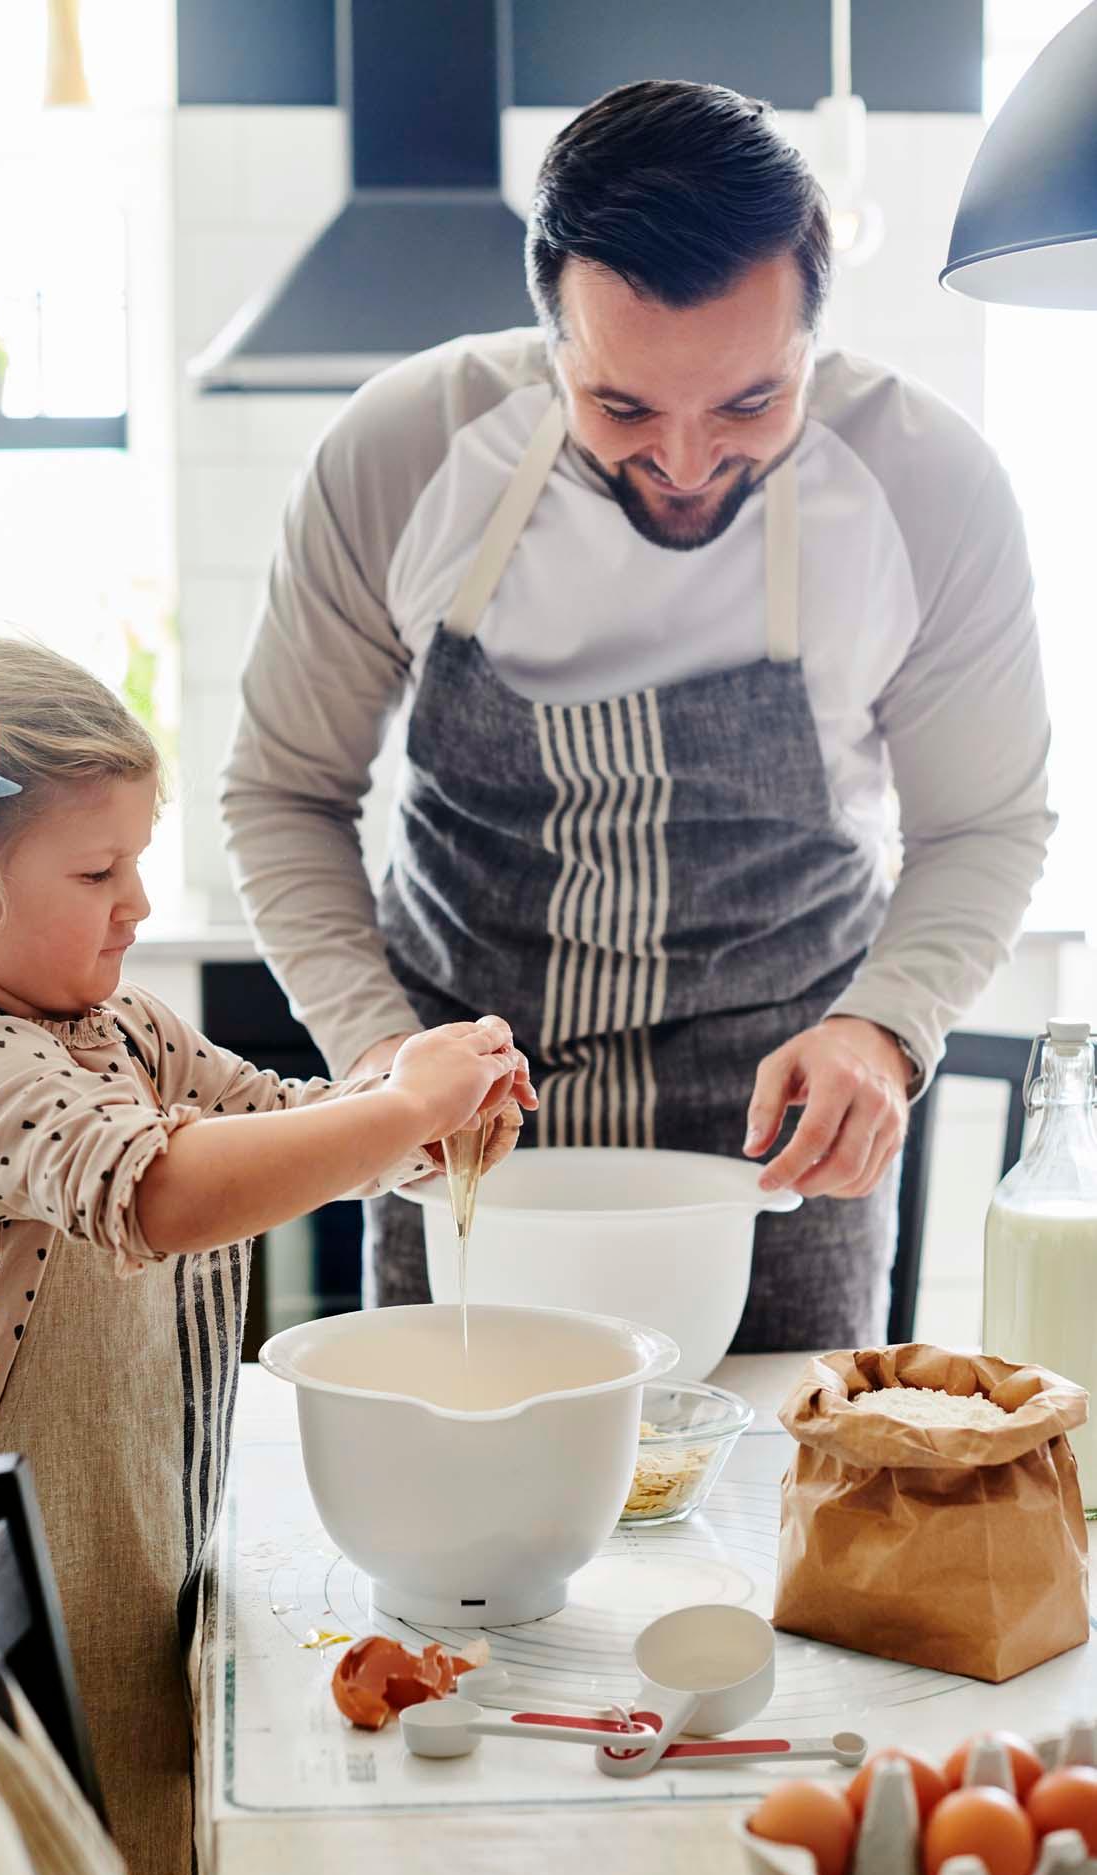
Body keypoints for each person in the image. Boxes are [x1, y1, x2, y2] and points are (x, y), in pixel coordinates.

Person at [221, 78, 1055, 1347]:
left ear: (811, 338)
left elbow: (986, 825)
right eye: (620, 407)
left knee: (786, 1523)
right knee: (473, 1513)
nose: (682, 462)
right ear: (549, 329)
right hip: (469, 1151)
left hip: (779, 1160)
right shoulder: (399, 453)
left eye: (747, 404)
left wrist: (884, 1031)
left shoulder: (927, 487)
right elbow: (281, 794)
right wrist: (382, 1060)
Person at [0, 635, 533, 1875]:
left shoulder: (113, 1023)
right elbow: (168, 1190)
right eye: (97, 872)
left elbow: (281, 1124)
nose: (134, 904)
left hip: (135, 1527)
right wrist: (398, 1105)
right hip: (18, 1578)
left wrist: (422, 1126)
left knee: (162, 1868)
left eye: (138, 861)